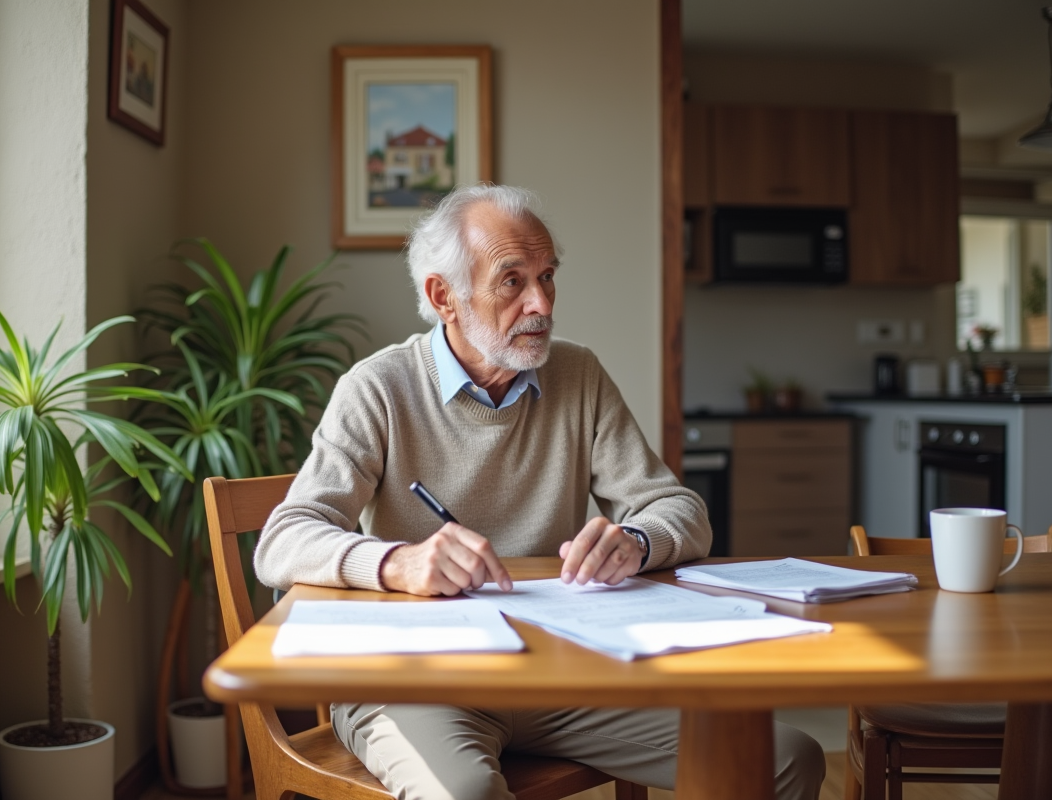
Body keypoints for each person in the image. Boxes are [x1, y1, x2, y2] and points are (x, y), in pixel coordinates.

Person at [254, 184, 826, 800]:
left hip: (556, 674)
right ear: (444, 296)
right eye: (512, 280)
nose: (541, 303)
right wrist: (400, 562)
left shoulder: (578, 375)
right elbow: (283, 541)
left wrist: (635, 539)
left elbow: (681, 510)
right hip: (413, 681)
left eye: (548, 276)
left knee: (788, 758)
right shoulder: (378, 388)